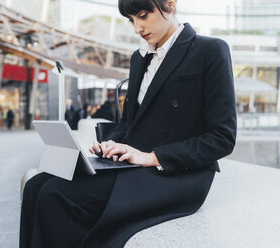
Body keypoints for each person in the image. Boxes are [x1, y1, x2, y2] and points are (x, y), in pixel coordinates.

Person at [20, 0, 236, 247]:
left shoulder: (210, 50)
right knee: (36, 185)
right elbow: (128, 122)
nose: (137, 28)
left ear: (169, 4)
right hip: (133, 164)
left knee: (55, 195)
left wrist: (152, 156)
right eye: (132, 20)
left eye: (143, 16)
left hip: (177, 174)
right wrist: (112, 144)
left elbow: (223, 138)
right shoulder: (139, 58)